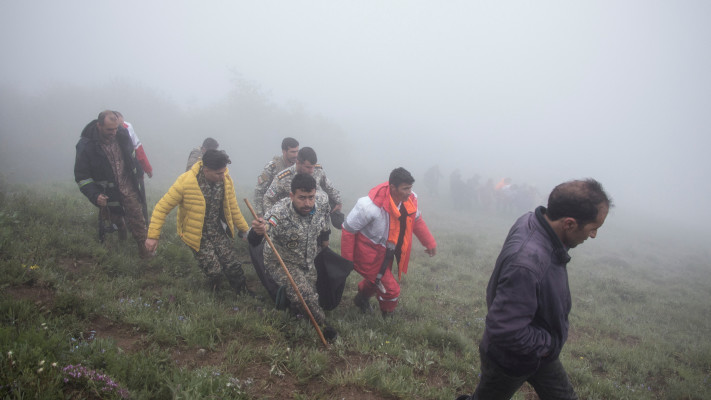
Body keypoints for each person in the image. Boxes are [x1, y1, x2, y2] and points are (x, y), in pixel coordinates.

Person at [458, 179, 612, 400]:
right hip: (510, 358)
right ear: (569, 223)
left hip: (539, 352)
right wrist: (549, 344)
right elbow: (505, 328)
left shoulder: (533, 221)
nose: (594, 235)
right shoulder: (528, 263)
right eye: (593, 228)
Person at [145, 150, 251, 294]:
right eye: (218, 173)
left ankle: (242, 292)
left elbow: (232, 207)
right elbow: (161, 208)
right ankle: (215, 293)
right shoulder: (186, 182)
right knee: (214, 269)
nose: (223, 176)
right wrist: (152, 236)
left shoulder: (225, 180)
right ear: (206, 170)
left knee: (232, 264)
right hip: (196, 234)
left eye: (224, 172)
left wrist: (244, 230)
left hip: (216, 230)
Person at [250, 173, 337, 340]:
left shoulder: (320, 203)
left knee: (310, 296)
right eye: (302, 198)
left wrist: (325, 239)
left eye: (310, 197)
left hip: (307, 261)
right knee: (306, 298)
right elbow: (263, 230)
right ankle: (325, 328)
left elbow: (325, 221)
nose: (307, 203)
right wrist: (258, 230)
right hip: (281, 261)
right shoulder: (279, 212)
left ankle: (290, 305)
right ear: (291, 196)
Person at [341, 167, 437, 317]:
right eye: (405, 188)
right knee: (391, 289)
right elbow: (348, 230)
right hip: (367, 253)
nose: (409, 192)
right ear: (392, 187)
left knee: (376, 279)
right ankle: (388, 316)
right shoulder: (369, 206)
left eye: (410, 188)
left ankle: (361, 299)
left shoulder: (409, 201)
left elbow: (416, 220)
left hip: (387, 252)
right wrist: (346, 261)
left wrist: (429, 242)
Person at [74, 110, 149, 258]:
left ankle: (144, 251)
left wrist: (138, 173)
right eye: (109, 129)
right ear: (99, 125)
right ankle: (121, 235)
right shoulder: (86, 145)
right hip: (106, 192)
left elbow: (131, 155)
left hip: (127, 186)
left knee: (137, 217)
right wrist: (95, 195)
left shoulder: (122, 134)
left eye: (115, 128)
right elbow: (82, 176)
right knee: (115, 219)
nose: (113, 132)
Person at [262, 147, 342, 219]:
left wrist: (338, 202)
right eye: (308, 167)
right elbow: (268, 198)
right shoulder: (283, 178)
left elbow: (328, 187)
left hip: (317, 221)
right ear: (298, 162)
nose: (312, 171)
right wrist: (272, 218)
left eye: (313, 166)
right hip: (292, 224)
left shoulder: (318, 171)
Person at [254, 137, 299, 216]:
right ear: (284, 151)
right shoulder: (272, 167)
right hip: (274, 212)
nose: (296, 155)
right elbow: (259, 192)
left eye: (297, 151)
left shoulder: (298, 167)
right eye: (292, 152)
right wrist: (260, 215)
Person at [113, 111, 153, 178]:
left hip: (130, 165)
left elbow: (138, 149)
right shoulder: (106, 132)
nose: (121, 129)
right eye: (118, 127)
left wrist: (147, 168)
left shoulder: (128, 127)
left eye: (122, 124)